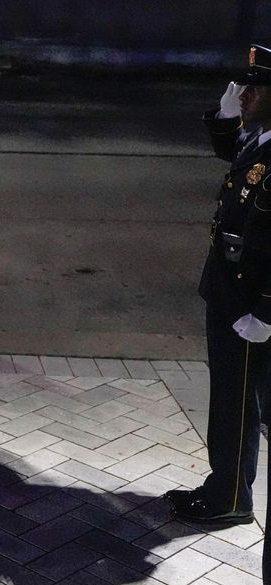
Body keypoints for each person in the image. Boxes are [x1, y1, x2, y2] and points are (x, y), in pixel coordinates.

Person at [164, 44, 271, 527]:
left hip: (251, 303)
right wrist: (226, 118)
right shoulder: (262, 139)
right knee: (229, 397)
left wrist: (267, 312)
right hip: (231, 293)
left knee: (237, 403)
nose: (244, 95)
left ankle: (230, 499)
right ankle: (222, 485)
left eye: (255, 89)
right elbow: (238, 161)